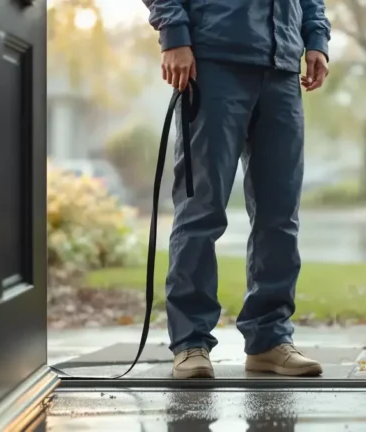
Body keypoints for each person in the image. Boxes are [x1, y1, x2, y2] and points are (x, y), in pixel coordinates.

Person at [142, 0, 331, 378]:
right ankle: (190, 342)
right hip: (213, 62)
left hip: (281, 68)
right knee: (201, 211)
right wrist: (174, 34)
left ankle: (269, 340)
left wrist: (316, 38)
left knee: (280, 215)